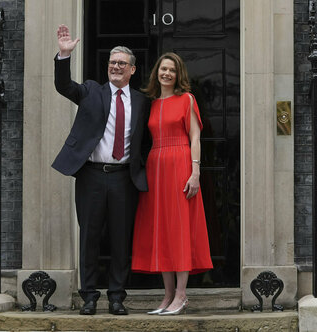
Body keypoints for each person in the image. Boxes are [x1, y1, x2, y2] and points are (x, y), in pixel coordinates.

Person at [51, 24, 151, 316]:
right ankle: (90, 297)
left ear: (133, 69)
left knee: (121, 239)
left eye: (121, 63)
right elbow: (63, 86)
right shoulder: (91, 91)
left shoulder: (143, 101)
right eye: (112, 63)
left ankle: (117, 296)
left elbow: (148, 139)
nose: (115, 67)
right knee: (89, 237)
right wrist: (63, 56)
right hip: (92, 175)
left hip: (124, 178)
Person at [131, 52, 213, 315]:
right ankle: (167, 296)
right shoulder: (151, 104)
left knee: (179, 229)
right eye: (163, 69)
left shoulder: (187, 99)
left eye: (172, 70)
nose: (167, 74)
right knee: (161, 230)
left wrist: (195, 172)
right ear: (157, 72)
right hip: (156, 166)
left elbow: (195, 138)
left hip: (180, 163)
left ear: (179, 75)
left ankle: (181, 294)